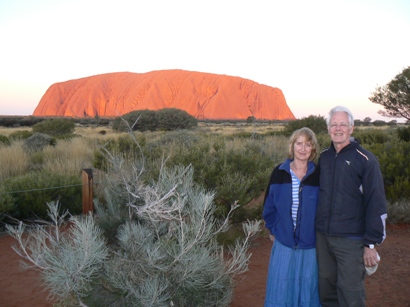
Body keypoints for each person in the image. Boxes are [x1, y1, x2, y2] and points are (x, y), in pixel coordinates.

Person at [315, 106, 388, 307]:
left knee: (350, 293)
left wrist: (371, 244)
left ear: (351, 128)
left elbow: (376, 202)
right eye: (334, 124)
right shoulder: (324, 157)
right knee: (326, 289)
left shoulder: (365, 160)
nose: (338, 129)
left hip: (350, 239)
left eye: (343, 125)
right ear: (328, 128)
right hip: (323, 237)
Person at [263, 127, 321, 307]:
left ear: (313, 149)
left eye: (308, 144)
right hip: (284, 243)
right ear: (292, 146)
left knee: (307, 289)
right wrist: (274, 229)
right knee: (280, 289)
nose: (303, 148)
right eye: (299, 143)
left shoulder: (318, 175)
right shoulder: (279, 172)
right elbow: (268, 206)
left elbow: (325, 209)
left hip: (309, 244)